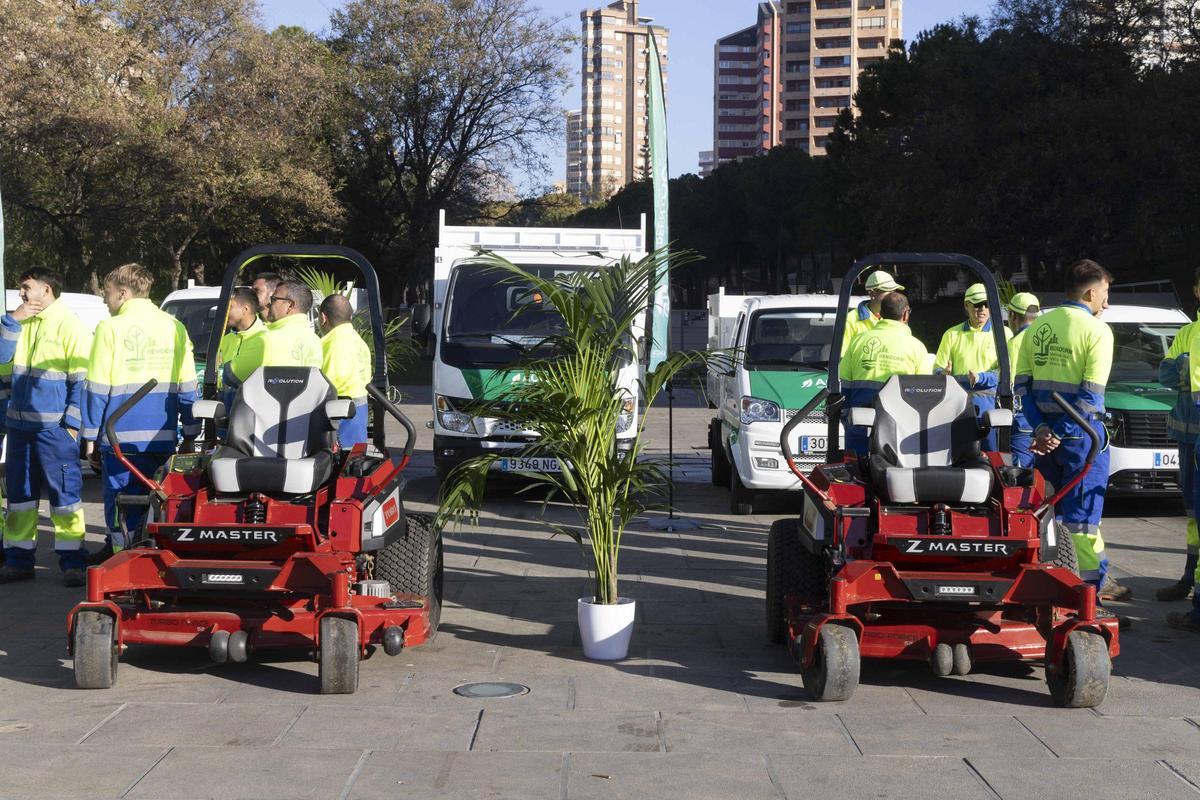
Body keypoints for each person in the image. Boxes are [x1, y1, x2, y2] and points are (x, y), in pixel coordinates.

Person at [1015, 260, 1130, 609]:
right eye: (1106, 294)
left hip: (1044, 441)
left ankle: (1051, 586)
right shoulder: (1097, 331)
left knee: (1046, 517)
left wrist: (1042, 430)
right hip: (1082, 441)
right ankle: (1086, 602)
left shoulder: (1036, 328)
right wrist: (1062, 433)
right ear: (1092, 292)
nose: (1106, 303)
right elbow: (1091, 397)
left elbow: (1023, 388)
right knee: (1081, 526)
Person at [81, 263, 200, 559]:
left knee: (120, 504)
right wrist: (190, 433)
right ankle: (153, 559)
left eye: (107, 294)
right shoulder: (175, 326)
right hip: (162, 437)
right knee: (157, 502)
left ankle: (122, 562)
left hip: (120, 437)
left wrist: (89, 435)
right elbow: (188, 387)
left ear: (123, 293)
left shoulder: (110, 328)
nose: (106, 301)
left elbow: (96, 387)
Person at [0, 269, 91, 586]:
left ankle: (72, 563)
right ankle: (18, 560)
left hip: (54, 431)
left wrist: (72, 427)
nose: (21, 293)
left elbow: (82, 380)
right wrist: (12, 320)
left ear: (46, 289)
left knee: (64, 498)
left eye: (26, 288)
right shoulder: (18, 321)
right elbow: (1, 356)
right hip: (20, 429)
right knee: (20, 498)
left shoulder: (69, 325)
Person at [840, 292, 931, 458]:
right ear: (905, 314)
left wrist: (847, 417)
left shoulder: (858, 341)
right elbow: (924, 394)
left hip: (860, 423)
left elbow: (843, 384)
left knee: (855, 473)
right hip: (899, 431)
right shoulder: (916, 347)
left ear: (881, 313)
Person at [1158, 268, 1200, 603]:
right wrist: (1188, 366)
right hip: (1188, 440)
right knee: (1192, 514)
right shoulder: (1187, 332)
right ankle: (1189, 577)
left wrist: (1185, 366)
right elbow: (1166, 374)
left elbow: (1178, 370)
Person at [935, 283, 1013, 451]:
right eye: (977, 305)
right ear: (966, 305)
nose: (982, 309)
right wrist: (943, 374)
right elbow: (937, 372)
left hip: (991, 407)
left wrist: (981, 378)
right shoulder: (951, 334)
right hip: (959, 408)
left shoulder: (1004, 333)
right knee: (960, 457)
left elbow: (1007, 372)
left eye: (987, 304)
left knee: (993, 458)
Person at [225, 279, 322, 396]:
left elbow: (231, 375)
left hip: (266, 412)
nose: (269, 303)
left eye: (274, 299)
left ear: (290, 305)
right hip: (302, 412)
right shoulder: (315, 341)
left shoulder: (265, 339)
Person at [319, 294, 372, 448]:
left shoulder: (327, 344)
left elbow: (324, 387)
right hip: (358, 413)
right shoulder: (359, 342)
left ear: (323, 318)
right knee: (353, 462)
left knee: (337, 466)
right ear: (350, 316)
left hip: (337, 417)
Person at [1005, 292, 1041, 468]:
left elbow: (1010, 383)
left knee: (1020, 475)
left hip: (1021, 415)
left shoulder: (1016, 342)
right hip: (1042, 417)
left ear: (1012, 315)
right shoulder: (1043, 339)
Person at [217, 287, 265, 410]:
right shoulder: (226, 340)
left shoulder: (265, 339)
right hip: (225, 410)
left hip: (253, 411)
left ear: (245, 309)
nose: (225, 312)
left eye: (230, 307)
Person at [841, 270, 905, 356]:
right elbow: (843, 357)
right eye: (888, 292)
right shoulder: (850, 320)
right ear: (872, 293)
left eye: (894, 292)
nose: (892, 297)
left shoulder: (897, 317)